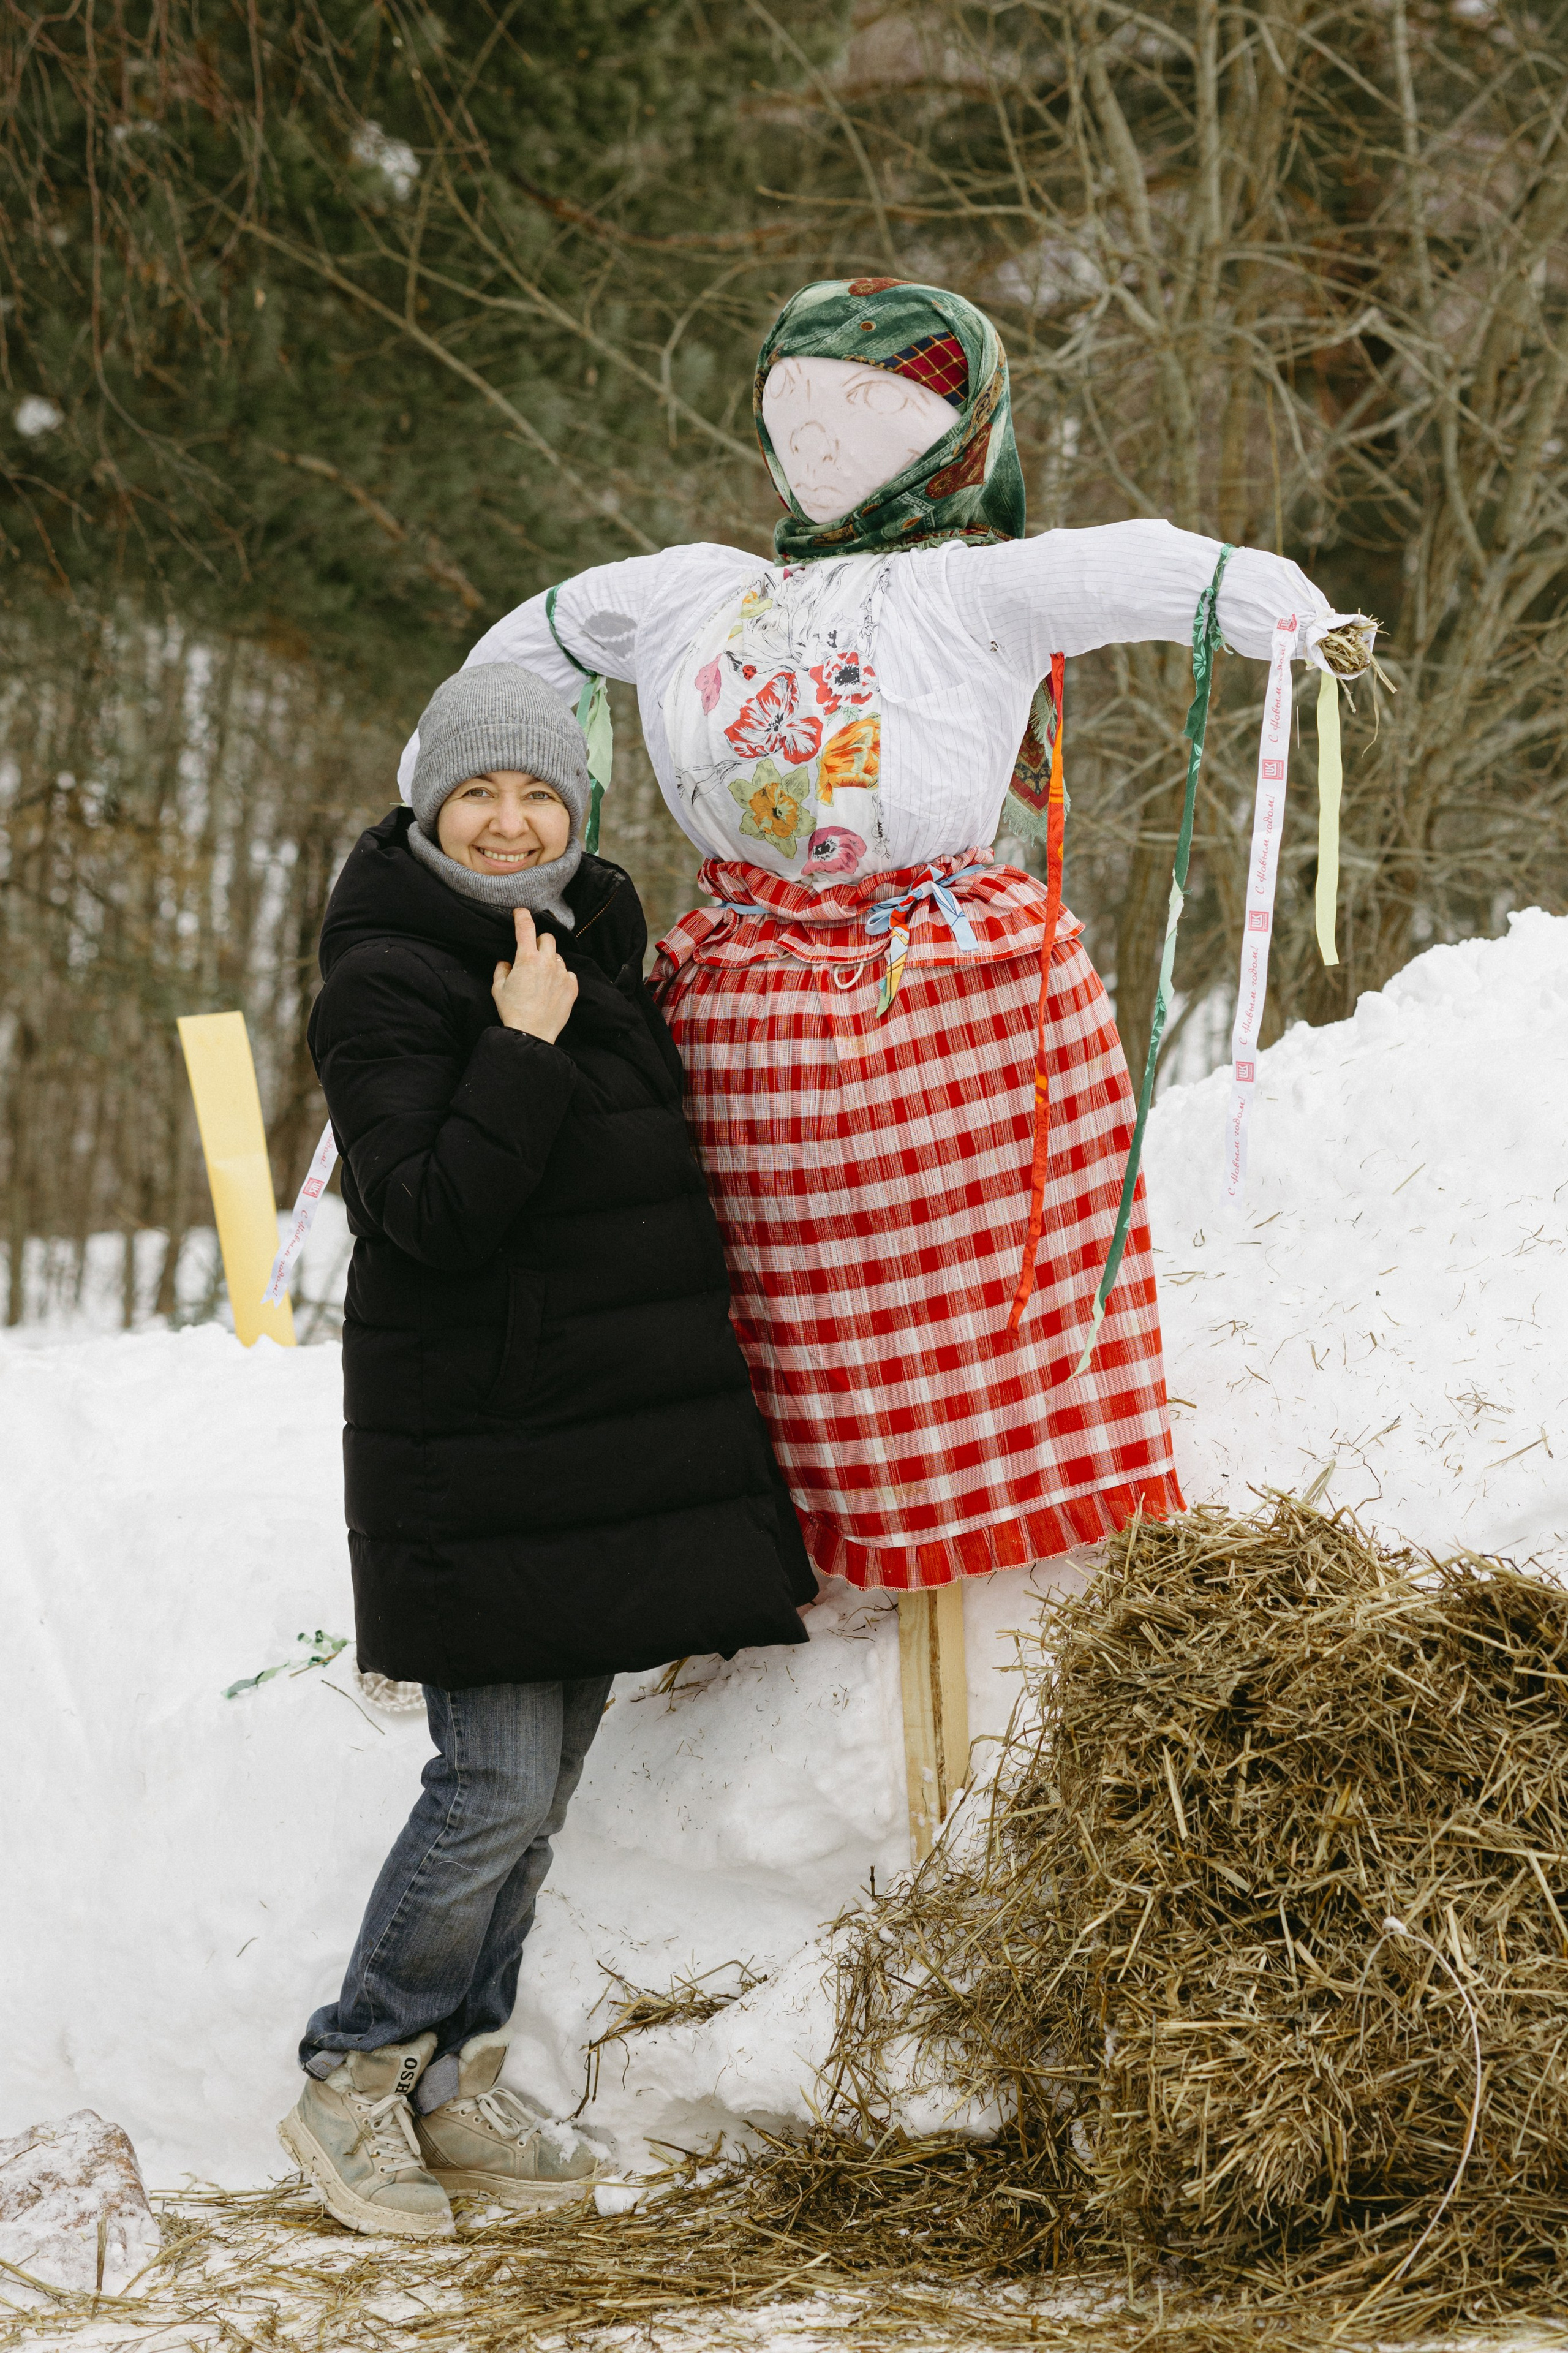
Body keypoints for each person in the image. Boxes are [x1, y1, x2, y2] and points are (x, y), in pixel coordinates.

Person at [398, 275, 1366, 1596]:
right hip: (745, 998)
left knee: (986, 1278)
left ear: (955, 430)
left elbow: (1137, 566)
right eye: (790, 402)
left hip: (948, 980)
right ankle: (789, 1524)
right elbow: (559, 625)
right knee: (772, 1298)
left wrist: (1285, 612)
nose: (818, 434)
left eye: (866, 406)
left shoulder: (974, 592)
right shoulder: (697, 589)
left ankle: (1019, 1515)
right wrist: (450, 755)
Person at [279, 663, 815, 2240]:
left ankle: (454, 2081)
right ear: (429, 803)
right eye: (479, 795)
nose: (510, 823)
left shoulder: (594, 944)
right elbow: (427, 1208)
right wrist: (517, 1048)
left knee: (543, 1782)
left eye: (540, 798)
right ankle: (355, 2071)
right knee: (489, 1785)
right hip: (481, 1450)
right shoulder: (389, 973)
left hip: (585, 1452)